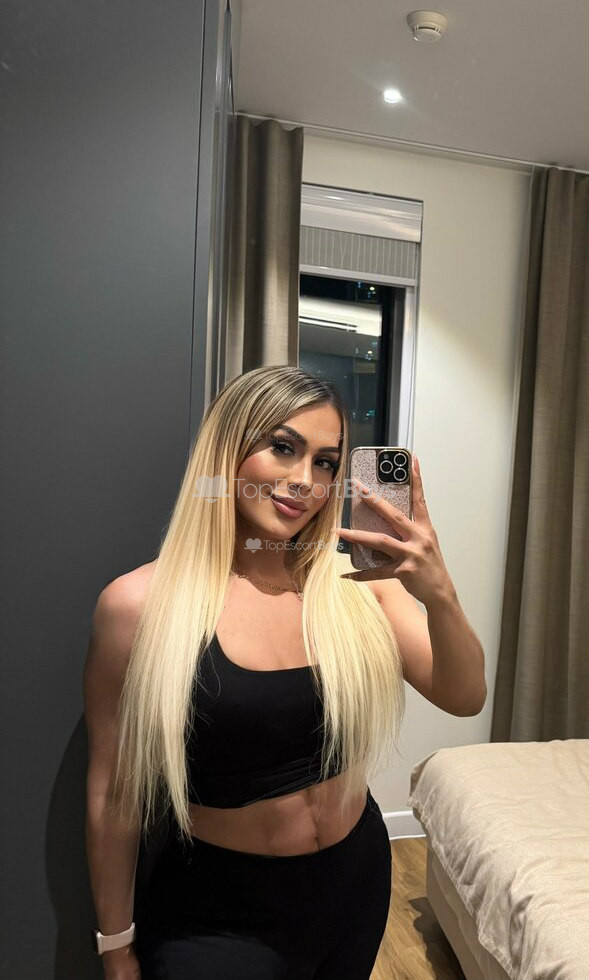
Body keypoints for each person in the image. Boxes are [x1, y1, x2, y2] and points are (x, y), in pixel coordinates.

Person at [83, 364, 486, 980]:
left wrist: (440, 594)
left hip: (353, 886)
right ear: (227, 454)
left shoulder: (358, 586)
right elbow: (114, 792)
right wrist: (116, 947)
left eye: (326, 462)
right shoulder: (139, 607)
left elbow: (465, 695)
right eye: (282, 447)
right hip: (219, 915)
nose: (305, 480)